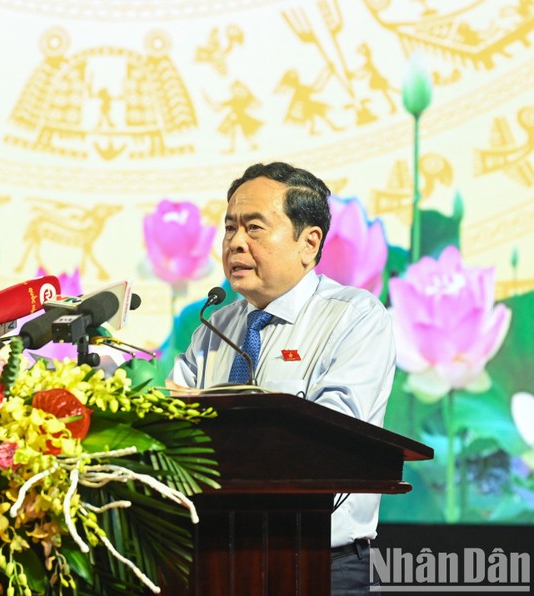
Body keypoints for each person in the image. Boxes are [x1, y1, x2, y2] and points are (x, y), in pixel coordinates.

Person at [168, 161, 395, 594]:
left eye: (254, 228)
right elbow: (173, 423)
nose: (235, 243)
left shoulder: (353, 317)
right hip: (217, 559)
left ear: (309, 243)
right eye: (230, 228)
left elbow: (334, 435)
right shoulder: (212, 330)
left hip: (319, 564)